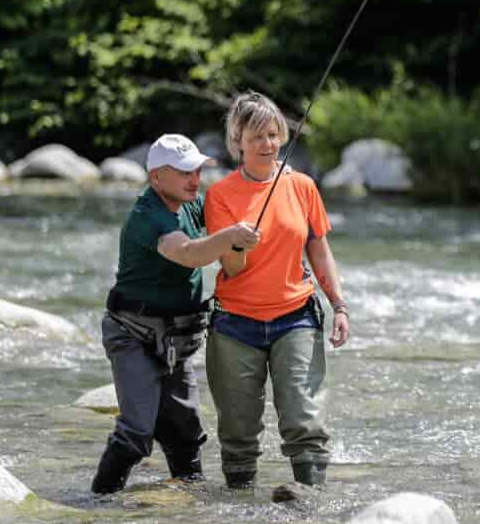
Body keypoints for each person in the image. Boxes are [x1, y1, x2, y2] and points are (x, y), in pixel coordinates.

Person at [91, 134, 261, 494]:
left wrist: (262, 174)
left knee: (186, 432)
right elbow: (187, 253)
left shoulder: (193, 203)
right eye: (185, 171)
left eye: (198, 170)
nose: (194, 178)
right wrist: (228, 236)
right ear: (156, 178)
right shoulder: (146, 214)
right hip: (132, 334)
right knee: (136, 432)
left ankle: (189, 508)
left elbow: (227, 208)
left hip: (178, 339)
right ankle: (97, 505)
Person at [203, 91, 350, 491]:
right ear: (238, 142)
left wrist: (339, 305)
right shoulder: (220, 195)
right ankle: (239, 516)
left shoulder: (302, 187)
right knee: (237, 431)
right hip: (235, 325)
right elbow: (231, 270)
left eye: (273, 135)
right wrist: (235, 243)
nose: (267, 145)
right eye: (256, 138)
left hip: (296, 318)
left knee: (304, 419)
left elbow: (319, 250)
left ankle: (310, 503)